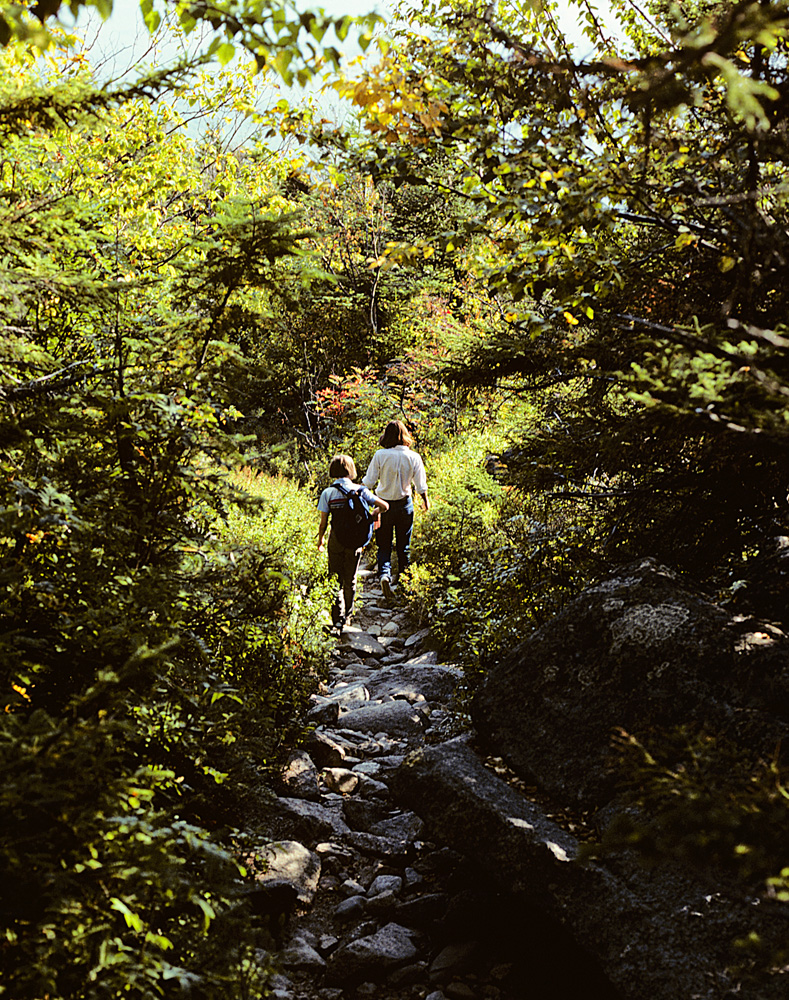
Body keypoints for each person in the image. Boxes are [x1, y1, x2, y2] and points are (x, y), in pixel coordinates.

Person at [317, 454, 389, 631]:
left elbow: (324, 522)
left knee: (335, 578)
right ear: (350, 470)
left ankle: (337, 618)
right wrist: (374, 515)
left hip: (336, 540)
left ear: (333, 471)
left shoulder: (328, 493)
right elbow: (385, 506)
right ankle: (348, 615)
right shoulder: (361, 490)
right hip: (355, 542)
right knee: (350, 579)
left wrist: (320, 540)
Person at [362, 420, 430, 600]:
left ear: (387, 435)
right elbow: (421, 485)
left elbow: (368, 482)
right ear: (405, 435)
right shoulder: (414, 456)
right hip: (404, 505)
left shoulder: (380, 455)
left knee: (383, 544)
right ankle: (404, 584)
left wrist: (365, 503)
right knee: (403, 547)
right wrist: (425, 502)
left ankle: (384, 575)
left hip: (382, 505)